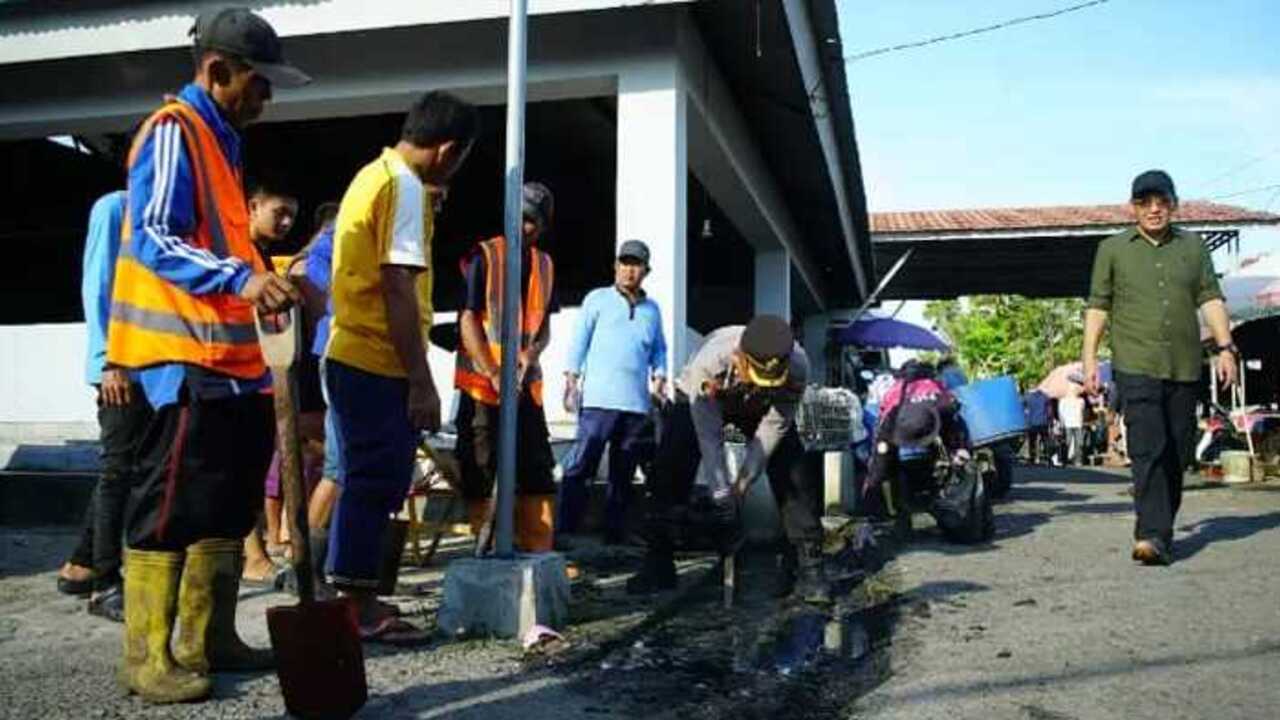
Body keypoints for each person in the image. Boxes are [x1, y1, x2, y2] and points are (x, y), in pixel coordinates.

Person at [105, 7, 308, 703]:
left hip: (228, 365)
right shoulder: (175, 133)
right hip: (179, 362)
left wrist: (268, 278)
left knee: (222, 506)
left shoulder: (221, 144)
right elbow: (157, 238)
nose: (267, 97)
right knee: (166, 509)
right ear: (218, 71)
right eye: (258, 83)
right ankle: (148, 658)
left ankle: (206, 639)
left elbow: (221, 244)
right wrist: (243, 278)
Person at [324, 91, 478, 642]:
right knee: (375, 480)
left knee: (367, 479)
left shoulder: (373, 175)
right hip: (376, 360)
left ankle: (353, 591)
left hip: (354, 354)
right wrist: (421, 380)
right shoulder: (406, 188)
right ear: (448, 150)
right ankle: (356, 605)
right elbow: (397, 286)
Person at [1083, 169, 1236, 566]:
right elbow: (1098, 307)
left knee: (1179, 450)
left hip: (1185, 365)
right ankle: (1151, 534)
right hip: (1135, 365)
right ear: (1132, 207)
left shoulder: (1194, 247)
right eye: (1145, 202)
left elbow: (1210, 298)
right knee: (1149, 447)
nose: (1154, 209)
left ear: (1174, 204)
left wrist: (1225, 348)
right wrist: (1089, 362)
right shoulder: (1113, 249)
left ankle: (1161, 528)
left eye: (1161, 201)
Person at [626, 316, 830, 604]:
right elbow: (710, 441)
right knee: (669, 467)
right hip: (705, 402)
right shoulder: (710, 363)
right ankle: (658, 560)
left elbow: (773, 428)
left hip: (760, 411)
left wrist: (743, 484)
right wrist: (723, 495)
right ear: (740, 358)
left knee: (794, 471)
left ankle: (809, 567)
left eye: (773, 382)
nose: (766, 385)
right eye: (760, 378)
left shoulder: (798, 365)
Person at [54, 188, 149, 624]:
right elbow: (98, 285)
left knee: (127, 467)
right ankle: (105, 584)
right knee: (118, 471)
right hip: (121, 364)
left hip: (155, 363)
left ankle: (81, 565)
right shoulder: (115, 207)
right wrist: (110, 358)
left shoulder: (168, 211)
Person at [455, 182, 560, 553]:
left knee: (536, 465)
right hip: (482, 387)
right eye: (521, 218)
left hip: (525, 385)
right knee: (481, 465)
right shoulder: (487, 256)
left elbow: (544, 324)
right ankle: (486, 547)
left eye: (533, 221)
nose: (525, 227)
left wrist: (532, 353)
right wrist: (492, 370)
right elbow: (467, 319)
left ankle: (537, 549)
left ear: (543, 226)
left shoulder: (546, 265)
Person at [557, 239, 668, 545]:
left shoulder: (652, 309)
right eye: (624, 263)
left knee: (624, 471)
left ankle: (615, 533)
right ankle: (565, 530)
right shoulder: (598, 299)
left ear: (645, 271)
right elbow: (579, 341)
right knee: (581, 464)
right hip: (598, 400)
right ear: (615, 266)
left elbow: (660, 348)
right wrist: (570, 381)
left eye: (636, 265)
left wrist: (660, 377)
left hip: (636, 404)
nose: (629, 270)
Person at [242, 182, 301, 583]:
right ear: (253, 205)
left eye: (291, 216)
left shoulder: (265, 257)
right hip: (229, 377)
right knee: (238, 474)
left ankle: (253, 552)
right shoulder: (238, 252)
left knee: (249, 470)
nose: (285, 221)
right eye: (278, 211)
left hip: (258, 377)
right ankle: (252, 556)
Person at [862, 361, 970, 523]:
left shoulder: (896, 388)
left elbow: (883, 414)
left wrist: (879, 453)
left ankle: (871, 513)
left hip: (896, 432)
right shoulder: (935, 385)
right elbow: (952, 407)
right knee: (952, 432)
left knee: (879, 472)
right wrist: (959, 447)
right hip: (930, 432)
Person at [1023, 389, 1051, 464]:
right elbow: (1049, 411)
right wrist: (1049, 420)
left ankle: (1032, 458)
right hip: (1043, 422)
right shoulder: (1045, 396)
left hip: (1031, 422)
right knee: (1045, 441)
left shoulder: (1027, 397)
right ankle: (1046, 457)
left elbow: (1023, 408)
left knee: (1032, 441)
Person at [1059, 393, 1085, 466]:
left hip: (1077, 423)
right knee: (1067, 442)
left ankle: (1077, 460)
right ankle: (1065, 459)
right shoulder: (1063, 400)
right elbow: (1060, 412)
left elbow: (1082, 410)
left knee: (1079, 443)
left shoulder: (1081, 400)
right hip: (1068, 423)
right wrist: (1062, 422)